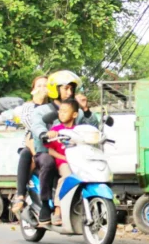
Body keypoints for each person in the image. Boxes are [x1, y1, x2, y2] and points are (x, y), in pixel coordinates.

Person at [30, 70, 98, 225]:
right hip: (48, 151)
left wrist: (86, 109)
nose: (70, 92)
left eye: (71, 88)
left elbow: (93, 127)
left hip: (72, 154)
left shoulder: (77, 112)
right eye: (65, 88)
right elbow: (37, 124)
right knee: (47, 162)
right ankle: (46, 205)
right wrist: (43, 134)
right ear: (55, 89)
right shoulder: (43, 110)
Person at [11, 76, 49, 217]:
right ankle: (20, 194)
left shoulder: (53, 106)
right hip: (31, 142)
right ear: (33, 90)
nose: (42, 88)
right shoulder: (27, 107)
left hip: (51, 145)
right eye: (39, 86)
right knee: (26, 154)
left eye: (45, 85)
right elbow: (32, 125)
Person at [43, 99, 79, 226]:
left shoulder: (79, 130)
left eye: (65, 111)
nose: (61, 114)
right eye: (60, 111)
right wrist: (64, 158)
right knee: (67, 176)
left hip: (79, 162)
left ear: (74, 114)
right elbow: (51, 151)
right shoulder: (56, 129)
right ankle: (58, 210)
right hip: (63, 162)